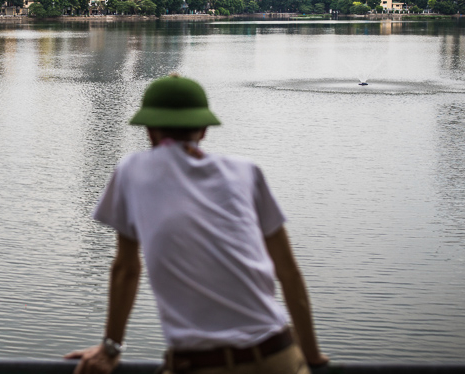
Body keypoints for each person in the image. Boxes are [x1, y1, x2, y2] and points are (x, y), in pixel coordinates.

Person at [66, 75, 328, 374]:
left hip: (201, 365)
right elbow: (288, 272)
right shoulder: (247, 172)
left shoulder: (132, 171)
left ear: (149, 131)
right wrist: (311, 355)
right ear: (203, 130)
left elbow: (126, 269)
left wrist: (110, 349)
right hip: (278, 356)